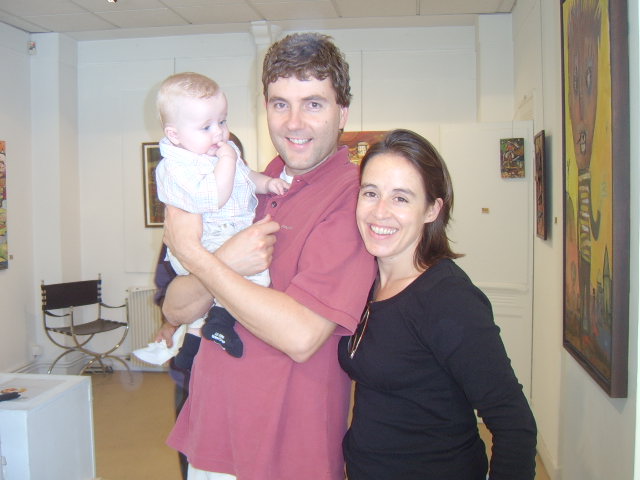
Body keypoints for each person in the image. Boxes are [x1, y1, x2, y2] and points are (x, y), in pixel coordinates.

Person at [161, 32, 377, 479]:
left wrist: (199, 258)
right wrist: (223, 262)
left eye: (313, 104)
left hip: (285, 453)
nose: (294, 122)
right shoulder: (252, 185)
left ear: (342, 113)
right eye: (281, 104)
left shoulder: (352, 199)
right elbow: (175, 308)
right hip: (212, 434)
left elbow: (301, 336)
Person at [338, 129, 538, 479]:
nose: (379, 212)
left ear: (432, 209)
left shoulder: (448, 299)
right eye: (370, 193)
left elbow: (514, 424)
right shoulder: (365, 283)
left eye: (401, 198)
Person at [155, 72, 289, 362]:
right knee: (254, 273)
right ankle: (219, 322)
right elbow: (213, 198)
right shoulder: (175, 167)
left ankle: (205, 332)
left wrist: (266, 183)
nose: (218, 133)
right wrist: (227, 159)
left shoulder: (218, 153)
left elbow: (244, 177)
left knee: (248, 276)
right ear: (175, 135)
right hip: (208, 237)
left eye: (222, 121)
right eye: (206, 127)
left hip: (226, 232)